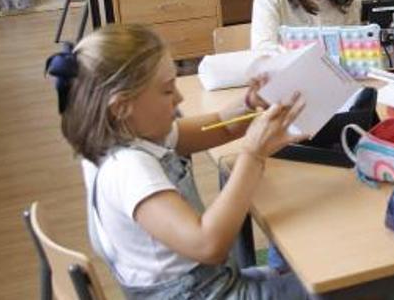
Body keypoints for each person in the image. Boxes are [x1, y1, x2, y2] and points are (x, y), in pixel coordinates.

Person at [48, 24, 308, 299]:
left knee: (308, 274)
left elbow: (220, 125)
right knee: (338, 288)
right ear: (121, 106)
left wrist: (249, 101)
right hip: (205, 293)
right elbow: (209, 245)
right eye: (167, 90)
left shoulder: (125, 134)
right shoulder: (129, 170)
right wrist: (253, 155)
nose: (180, 97)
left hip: (216, 283)